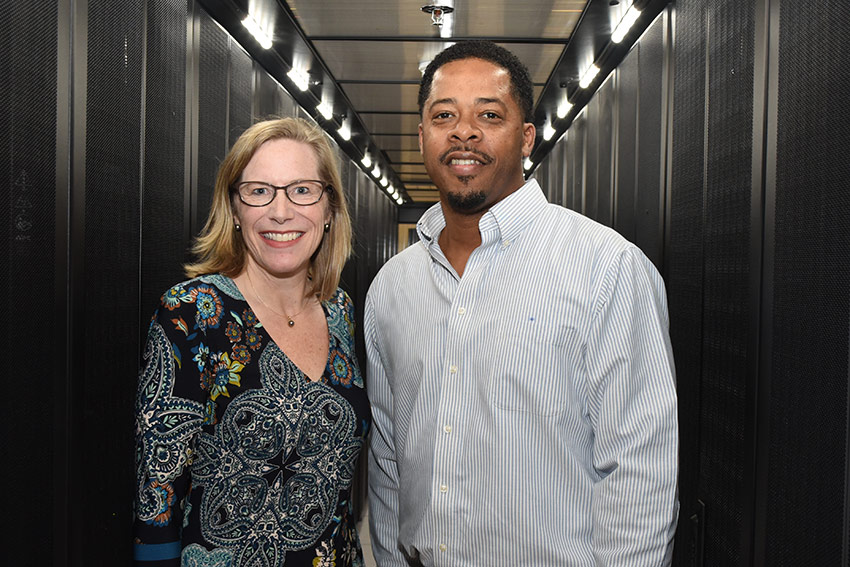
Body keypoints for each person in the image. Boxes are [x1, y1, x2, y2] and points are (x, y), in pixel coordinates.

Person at [365, 40, 678, 566]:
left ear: (526, 136)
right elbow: (388, 460)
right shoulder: (391, 288)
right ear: (422, 137)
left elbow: (640, 470)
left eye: (489, 114)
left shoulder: (606, 268)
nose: (464, 131)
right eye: (445, 115)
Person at [133, 117, 370, 566]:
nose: (281, 212)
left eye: (302, 190)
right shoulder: (193, 312)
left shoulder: (339, 309)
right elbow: (157, 492)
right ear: (235, 210)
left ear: (330, 210)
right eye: (259, 191)